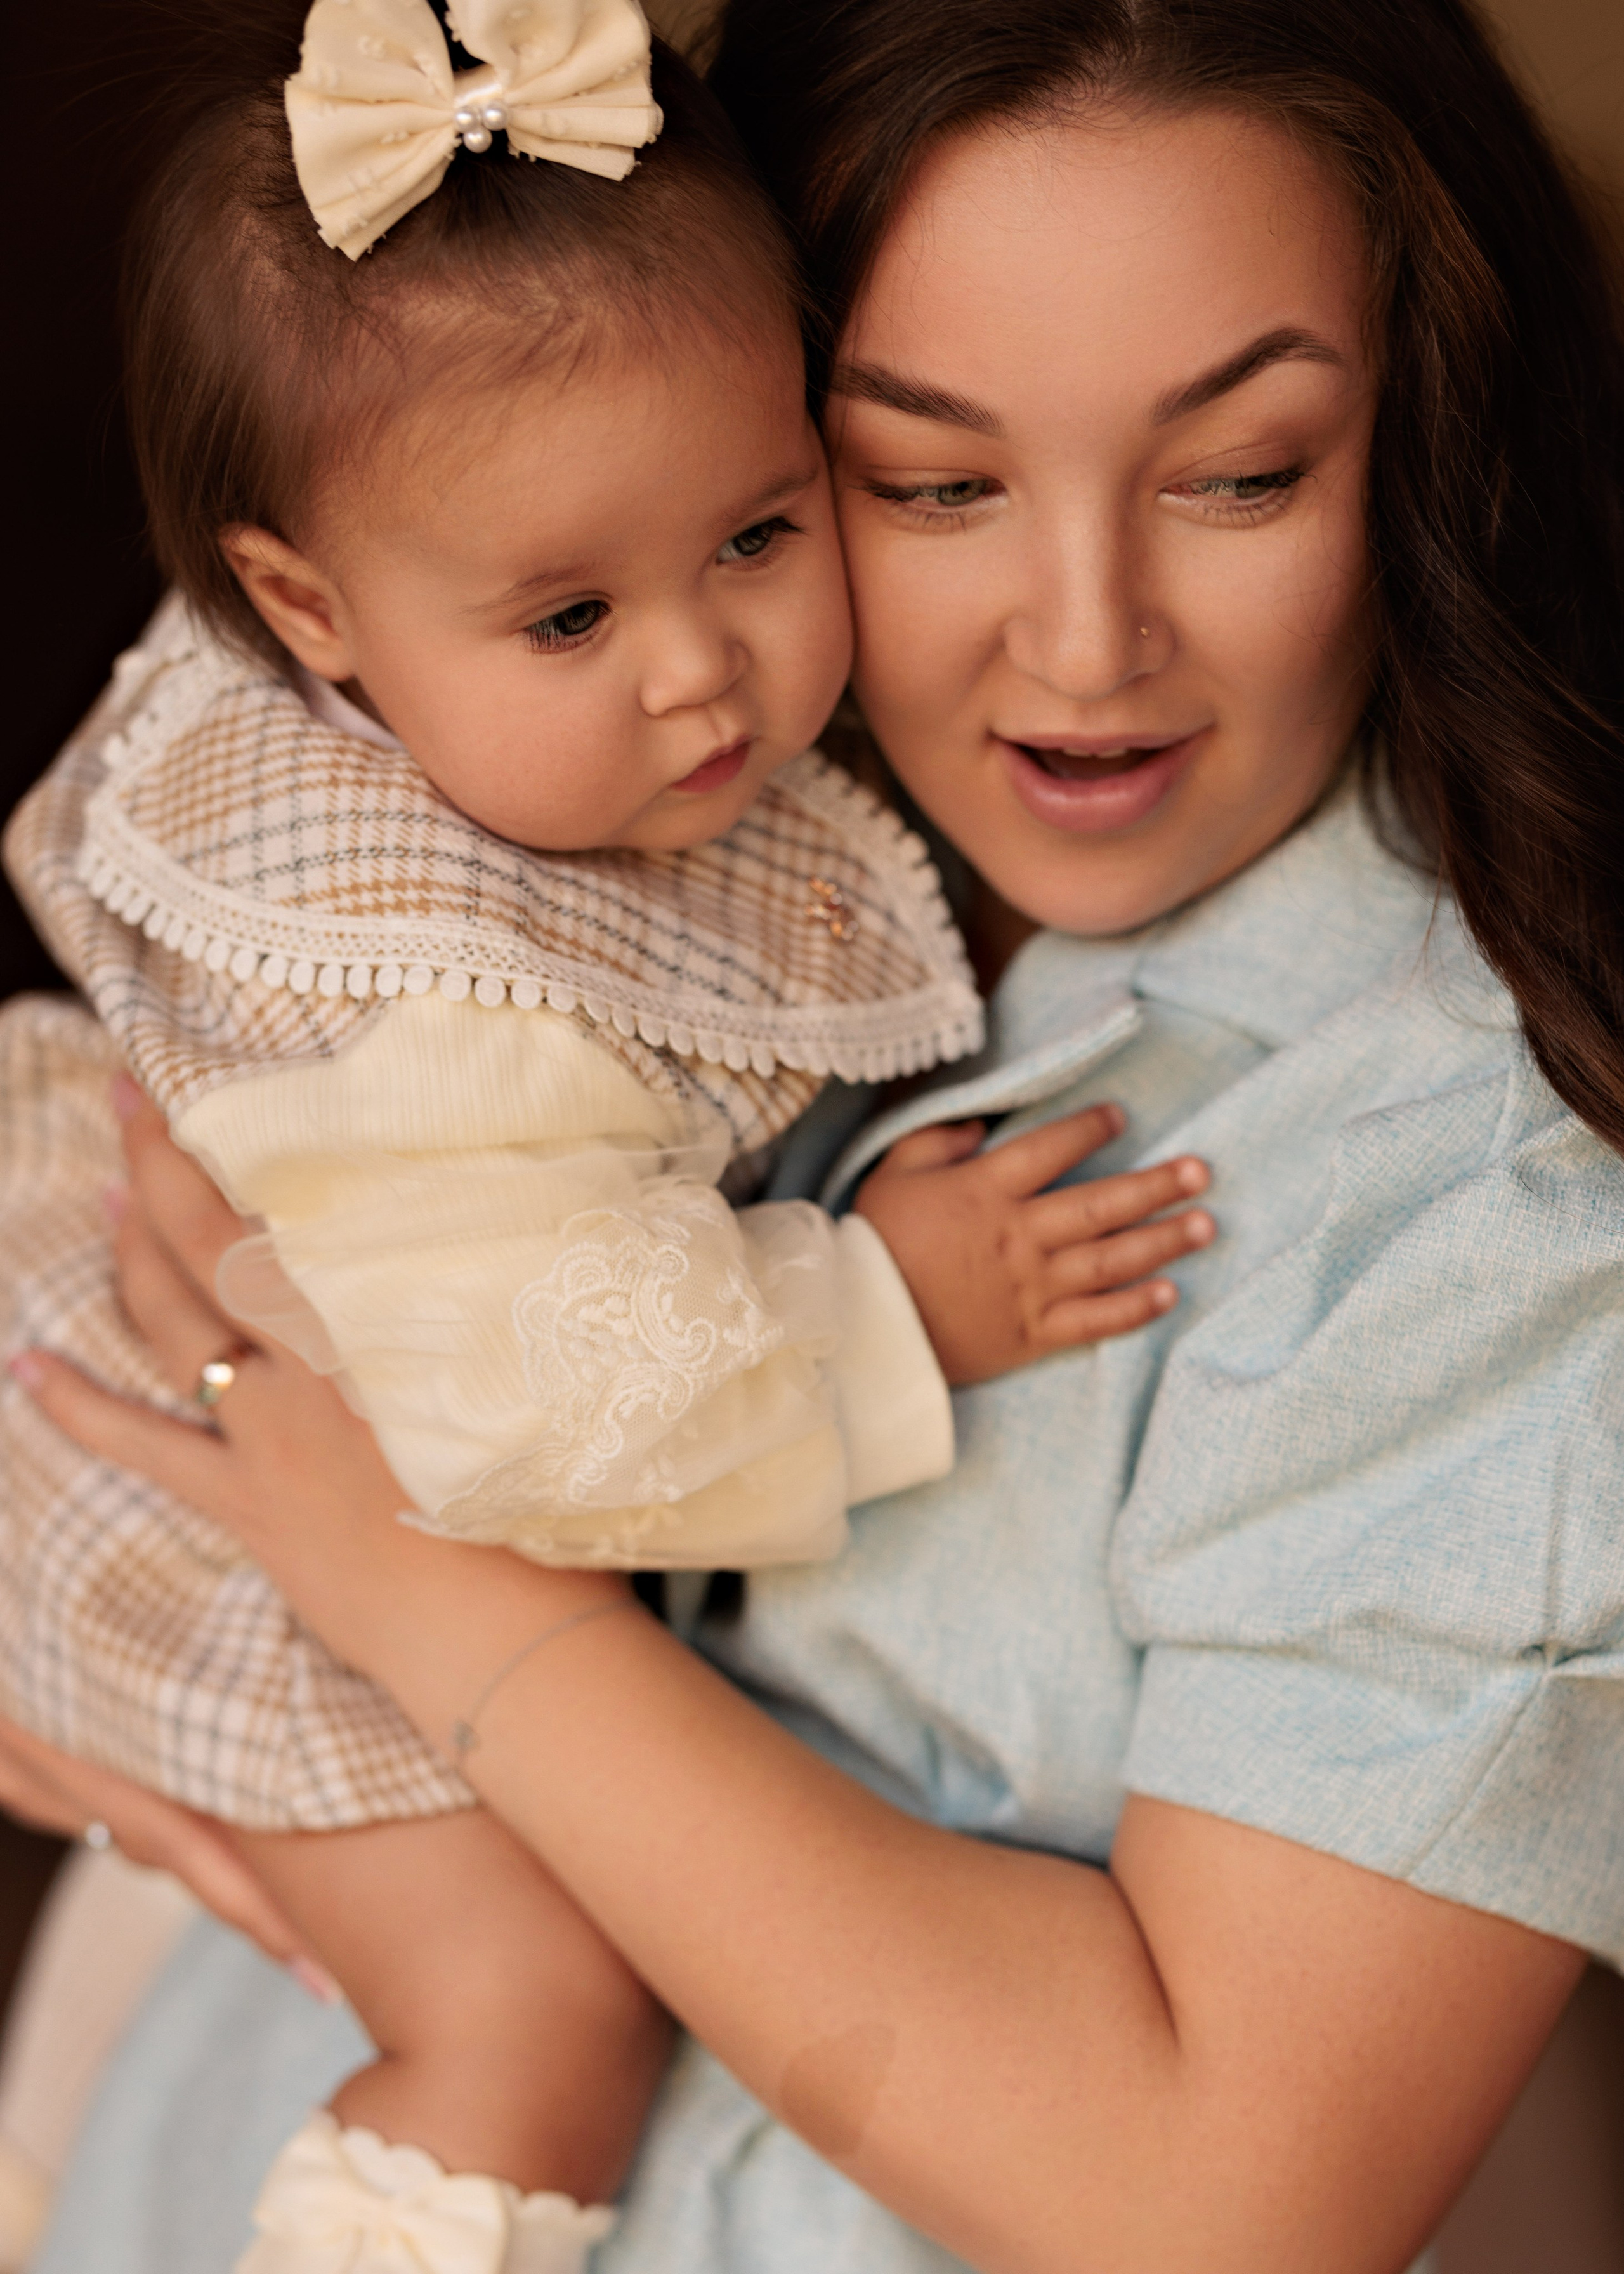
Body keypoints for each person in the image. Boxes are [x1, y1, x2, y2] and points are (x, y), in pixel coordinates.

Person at [8, 0, 1624, 2265]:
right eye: (931, 483)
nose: (1086, 641)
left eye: (1242, 473)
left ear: (1427, 440)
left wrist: (435, 1597)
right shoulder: (616, 791)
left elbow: (1227, 2206)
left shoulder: (1492, 1182)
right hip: (203, 2117)